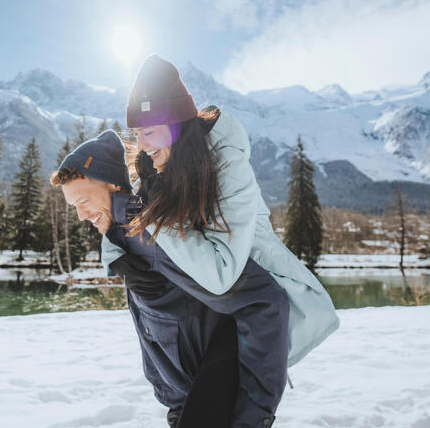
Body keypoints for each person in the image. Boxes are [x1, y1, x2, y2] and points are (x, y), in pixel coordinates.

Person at [100, 54, 340, 424]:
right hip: (197, 324)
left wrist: (154, 222)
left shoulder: (227, 163)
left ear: (177, 123)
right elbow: (121, 226)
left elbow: (221, 273)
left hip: (248, 318)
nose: (142, 143)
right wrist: (118, 260)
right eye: (137, 132)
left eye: (150, 130)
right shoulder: (155, 167)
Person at [50, 130, 290, 427]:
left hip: (212, 394)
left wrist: (253, 415)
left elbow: (266, 301)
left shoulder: (157, 234)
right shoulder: (123, 237)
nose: (82, 215)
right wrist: (173, 402)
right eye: (74, 206)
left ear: (113, 184)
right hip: (185, 397)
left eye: (83, 201)